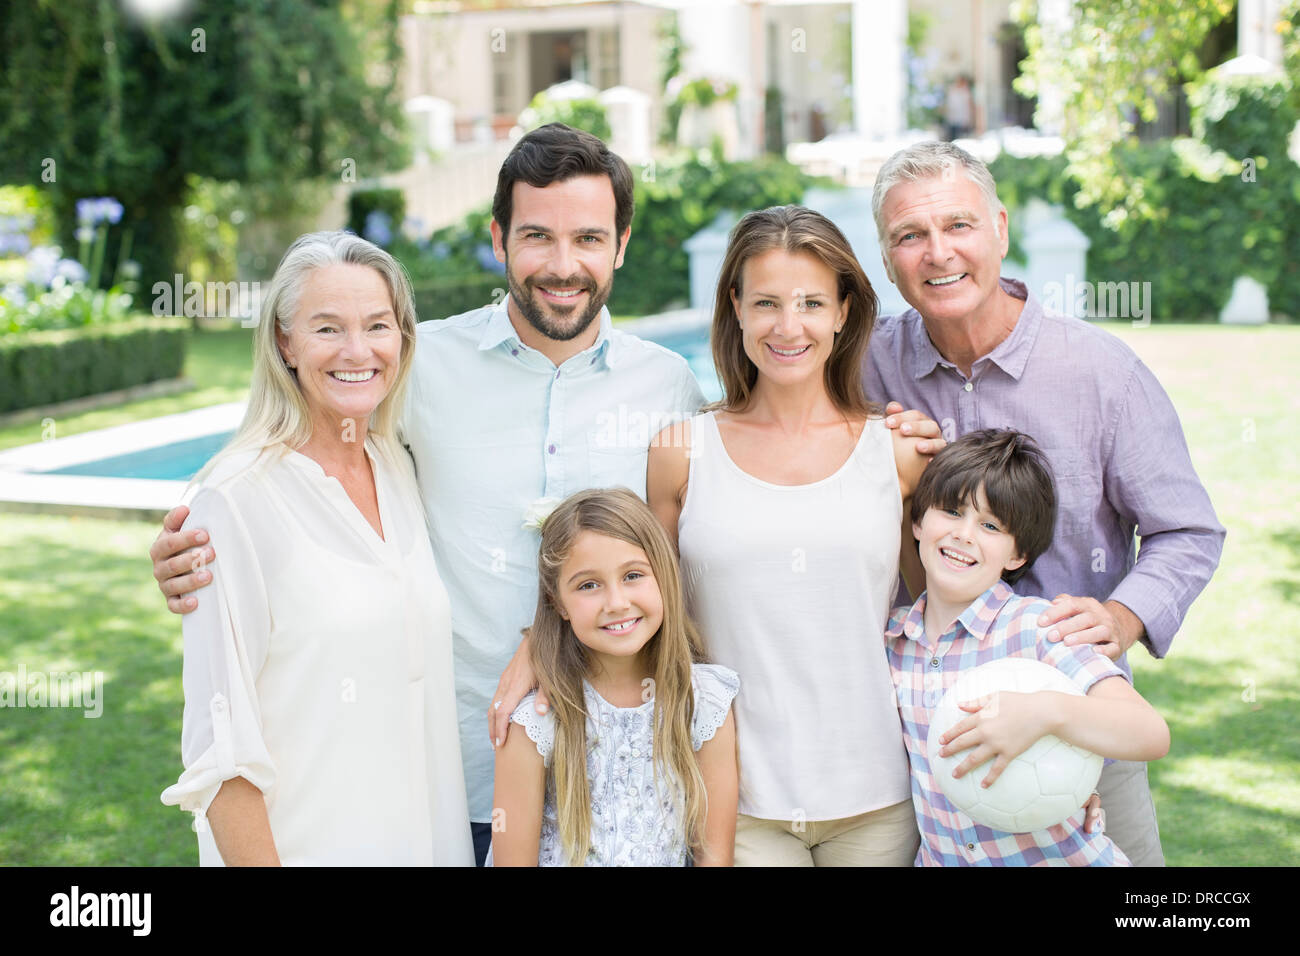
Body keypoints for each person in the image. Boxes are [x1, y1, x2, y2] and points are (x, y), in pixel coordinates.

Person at [865, 140, 1225, 865]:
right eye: (910, 235)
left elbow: (1187, 531)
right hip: (923, 740)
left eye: (958, 225)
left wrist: (1121, 617)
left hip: (1083, 730)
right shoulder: (863, 368)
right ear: (886, 256)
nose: (938, 252)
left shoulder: (1101, 372)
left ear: (999, 229)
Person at [159, 231, 473, 866]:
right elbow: (222, 753)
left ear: (402, 338)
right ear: (285, 342)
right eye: (327, 328)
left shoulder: (395, 466)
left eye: (377, 325)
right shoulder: (233, 502)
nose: (358, 350)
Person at [648, 205, 938, 866]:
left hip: (877, 798)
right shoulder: (679, 453)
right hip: (736, 802)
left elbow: (939, 624)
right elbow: (658, 631)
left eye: (811, 302)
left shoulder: (897, 452)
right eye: (767, 303)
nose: (788, 326)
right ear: (736, 307)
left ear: (842, 312)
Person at [888, 429, 1170, 866]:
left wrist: (1046, 711)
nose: (965, 534)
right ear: (918, 522)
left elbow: (1149, 732)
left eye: (990, 526)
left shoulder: (1038, 628)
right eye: (952, 512)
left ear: (1017, 554)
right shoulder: (896, 644)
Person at [490, 488, 739, 866]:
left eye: (633, 575)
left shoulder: (704, 701)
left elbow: (715, 855)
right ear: (558, 602)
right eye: (588, 585)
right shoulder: (536, 723)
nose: (617, 603)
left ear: (664, 576)